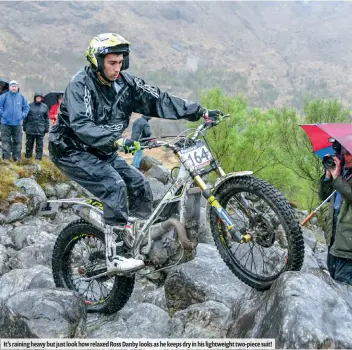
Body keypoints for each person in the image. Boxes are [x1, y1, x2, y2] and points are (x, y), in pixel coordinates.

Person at [48, 33, 222, 273]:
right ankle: (116, 254)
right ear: (97, 61)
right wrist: (117, 140)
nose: (117, 68)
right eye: (111, 63)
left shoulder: (127, 85)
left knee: (139, 183)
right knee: (114, 186)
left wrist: (199, 112)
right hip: (71, 150)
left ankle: (138, 239)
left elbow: (159, 99)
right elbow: (82, 125)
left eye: (120, 62)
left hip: (103, 149)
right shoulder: (80, 85)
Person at [319, 141, 352, 285]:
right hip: (334, 238)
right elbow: (324, 196)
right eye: (343, 154)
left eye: (349, 153)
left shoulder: (342, 177)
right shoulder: (342, 173)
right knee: (333, 282)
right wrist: (328, 175)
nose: (346, 157)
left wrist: (337, 178)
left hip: (348, 245)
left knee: (343, 285)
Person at [0, 80, 29, 161]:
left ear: (17, 87)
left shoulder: (21, 97)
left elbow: (26, 107)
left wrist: (22, 115)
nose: (14, 88)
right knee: (6, 141)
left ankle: (17, 159)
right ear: (9, 87)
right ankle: (6, 159)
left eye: (15, 86)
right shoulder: (4, 96)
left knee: (17, 142)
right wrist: (3, 114)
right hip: (5, 123)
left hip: (17, 124)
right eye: (12, 86)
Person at [23, 92, 49, 161]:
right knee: (29, 144)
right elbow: (25, 117)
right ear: (35, 98)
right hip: (30, 129)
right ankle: (28, 158)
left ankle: (38, 158)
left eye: (40, 97)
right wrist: (24, 126)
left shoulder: (45, 106)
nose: (38, 98)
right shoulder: (29, 106)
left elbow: (46, 118)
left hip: (40, 129)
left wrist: (46, 127)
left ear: (41, 98)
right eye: (37, 97)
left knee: (39, 145)